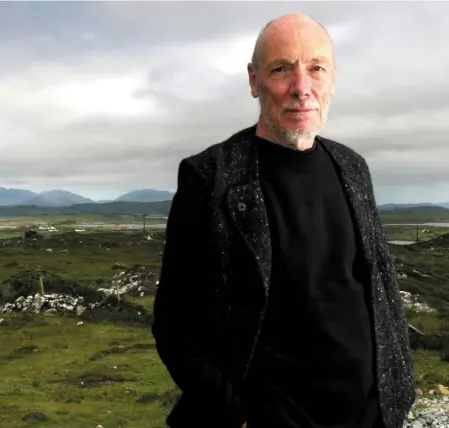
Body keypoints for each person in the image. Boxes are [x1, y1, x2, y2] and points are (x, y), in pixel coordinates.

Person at [151, 12, 416, 428]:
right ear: (254, 82)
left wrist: (398, 394)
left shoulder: (352, 167)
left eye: (316, 69)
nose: (302, 88)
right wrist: (238, 415)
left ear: (333, 77)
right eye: (281, 70)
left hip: (368, 415)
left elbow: (380, 285)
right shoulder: (211, 177)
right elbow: (174, 326)